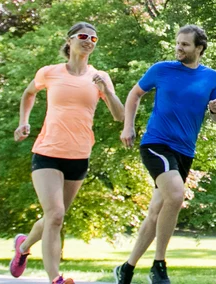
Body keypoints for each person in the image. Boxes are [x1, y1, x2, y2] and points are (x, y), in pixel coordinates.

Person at [9, 22, 127, 284]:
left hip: (79, 154)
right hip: (47, 152)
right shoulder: (50, 73)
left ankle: (23, 246)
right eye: (83, 36)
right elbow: (29, 94)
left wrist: (106, 91)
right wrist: (23, 121)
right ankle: (56, 279)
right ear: (70, 40)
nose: (89, 41)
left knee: (54, 216)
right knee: (56, 215)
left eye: (94, 38)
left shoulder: (100, 77)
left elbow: (120, 116)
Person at [113, 25, 216, 284]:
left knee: (157, 210)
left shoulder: (211, 78)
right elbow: (134, 95)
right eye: (177, 43)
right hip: (156, 144)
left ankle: (126, 269)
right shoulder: (161, 69)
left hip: (185, 151)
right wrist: (128, 126)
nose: (179, 48)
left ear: (199, 48)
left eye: (185, 44)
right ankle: (159, 265)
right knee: (175, 195)